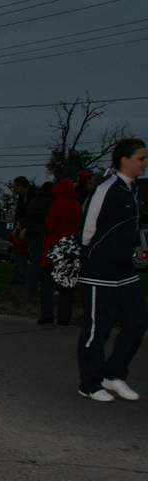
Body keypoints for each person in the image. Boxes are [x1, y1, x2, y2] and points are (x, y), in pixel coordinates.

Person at [76, 138, 148, 403]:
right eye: (141, 158)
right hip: (100, 269)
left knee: (138, 319)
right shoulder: (107, 188)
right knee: (97, 329)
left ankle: (113, 375)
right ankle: (90, 383)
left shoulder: (134, 190)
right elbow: (87, 230)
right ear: (125, 160)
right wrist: (89, 258)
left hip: (124, 270)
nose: (145, 163)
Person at [37, 178, 82, 326]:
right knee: (66, 284)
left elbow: (50, 224)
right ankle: (64, 317)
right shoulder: (77, 206)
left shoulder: (57, 204)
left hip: (54, 246)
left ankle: (47, 315)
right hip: (69, 246)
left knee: (46, 281)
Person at [24, 182, 53, 293]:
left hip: (31, 233)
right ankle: (36, 287)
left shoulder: (35, 200)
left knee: (35, 261)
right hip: (41, 234)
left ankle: (31, 286)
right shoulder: (49, 202)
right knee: (40, 262)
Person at [7, 219, 28, 285]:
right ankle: (17, 279)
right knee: (16, 267)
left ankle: (23, 280)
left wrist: (14, 240)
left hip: (23, 252)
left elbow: (21, 243)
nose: (17, 226)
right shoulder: (18, 233)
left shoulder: (24, 234)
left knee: (21, 267)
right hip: (18, 252)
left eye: (18, 225)